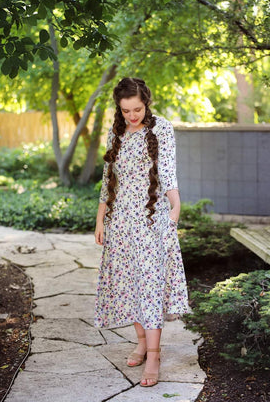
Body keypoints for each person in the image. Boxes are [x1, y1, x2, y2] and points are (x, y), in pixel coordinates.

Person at [94, 77, 189, 388]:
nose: (132, 116)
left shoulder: (161, 127)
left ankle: (154, 355)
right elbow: (109, 176)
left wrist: (176, 206)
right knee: (131, 284)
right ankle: (140, 342)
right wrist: (100, 219)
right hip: (120, 222)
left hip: (151, 219)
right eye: (125, 111)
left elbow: (168, 170)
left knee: (148, 286)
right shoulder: (116, 131)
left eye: (136, 109)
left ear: (146, 103)